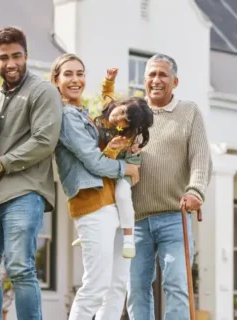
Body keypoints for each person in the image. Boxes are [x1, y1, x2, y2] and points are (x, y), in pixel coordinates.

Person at [0, 27, 63, 320]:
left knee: (20, 267)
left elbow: (45, 141)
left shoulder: (43, 91)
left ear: (26, 56)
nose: (11, 63)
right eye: (4, 57)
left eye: (17, 56)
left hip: (24, 191)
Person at [51, 53, 141, 319]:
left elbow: (107, 148)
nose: (75, 79)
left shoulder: (86, 114)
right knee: (96, 285)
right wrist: (128, 168)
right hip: (92, 205)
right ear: (56, 80)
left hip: (113, 203)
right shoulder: (67, 117)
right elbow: (94, 162)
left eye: (80, 73)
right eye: (68, 74)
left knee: (117, 287)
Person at [126, 54, 213, 320]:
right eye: (151, 75)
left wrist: (195, 191)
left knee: (176, 284)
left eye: (163, 75)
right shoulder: (133, 115)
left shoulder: (189, 112)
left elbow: (200, 157)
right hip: (136, 219)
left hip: (175, 215)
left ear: (174, 81)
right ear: (144, 81)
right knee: (137, 288)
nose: (156, 80)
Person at [71, 68, 153, 258]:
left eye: (124, 122)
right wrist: (109, 79)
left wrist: (115, 146)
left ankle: (129, 238)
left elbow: (108, 161)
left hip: (124, 164)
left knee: (122, 195)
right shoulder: (109, 110)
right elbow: (107, 93)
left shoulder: (123, 137)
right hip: (113, 164)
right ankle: (87, 234)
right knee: (98, 193)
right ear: (121, 104)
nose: (118, 118)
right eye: (121, 111)